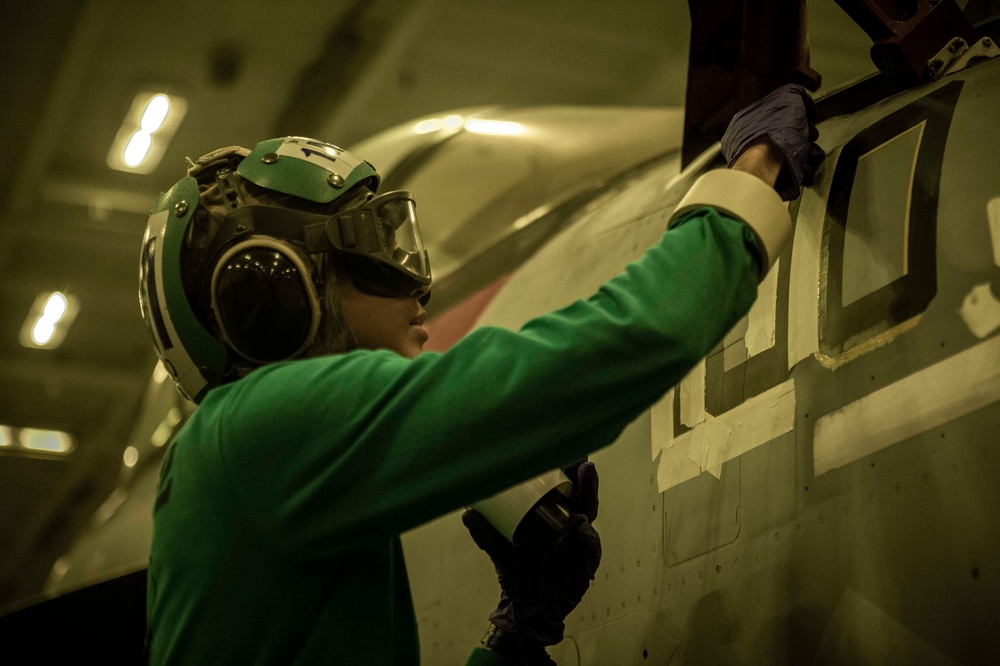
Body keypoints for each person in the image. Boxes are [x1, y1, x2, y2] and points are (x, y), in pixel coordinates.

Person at [139, 85, 822, 664]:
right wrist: (749, 184)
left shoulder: (262, 465)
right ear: (279, 293)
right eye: (378, 244)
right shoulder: (261, 427)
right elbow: (605, 352)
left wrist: (515, 642)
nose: (420, 289)